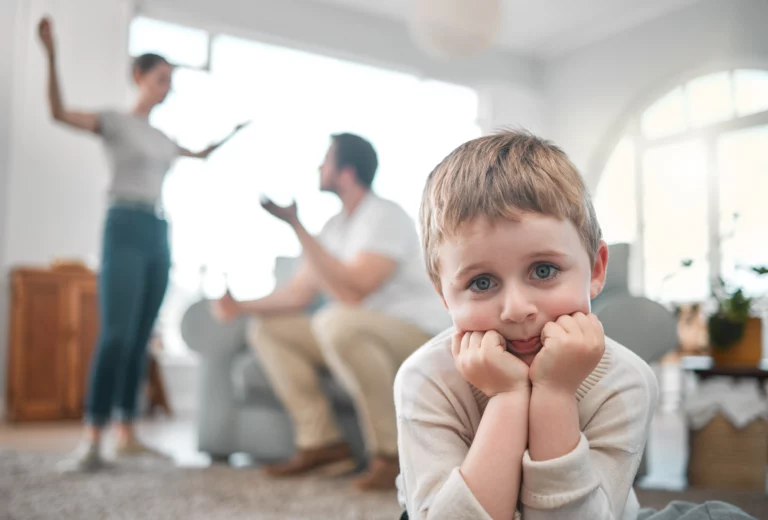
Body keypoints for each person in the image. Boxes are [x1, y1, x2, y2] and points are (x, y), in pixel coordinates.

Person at [394, 130, 659, 519]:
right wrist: (507, 397)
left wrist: (554, 394)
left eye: (544, 270)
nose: (516, 310)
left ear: (596, 269)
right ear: (444, 295)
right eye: (481, 282)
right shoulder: (426, 378)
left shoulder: (626, 381)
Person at [37, 17, 248, 473]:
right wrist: (51, 57)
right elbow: (58, 111)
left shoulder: (162, 138)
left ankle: (126, 434)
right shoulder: (114, 122)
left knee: (141, 338)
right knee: (115, 335)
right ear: (139, 77)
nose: (167, 88)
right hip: (124, 226)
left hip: (158, 231)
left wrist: (233, 133)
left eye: (171, 82)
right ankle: (93, 436)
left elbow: (200, 155)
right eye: (161, 79)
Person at [212, 133, 450, 490]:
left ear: (346, 171)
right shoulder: (335, 227)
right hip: (353, 329)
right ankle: (324, 444)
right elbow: (297, 295)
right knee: (269, 329)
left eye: (326, 161)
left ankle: (390, 456)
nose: (319, 167)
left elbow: (354, 290)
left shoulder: (384, 215)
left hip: (414, 333)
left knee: (336, 321)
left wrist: (297, 226)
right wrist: (239, 306)